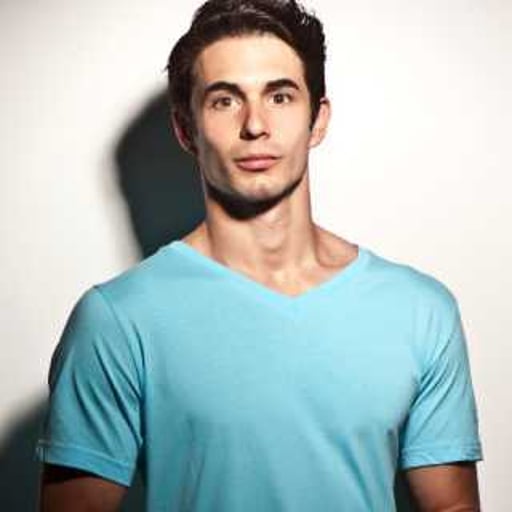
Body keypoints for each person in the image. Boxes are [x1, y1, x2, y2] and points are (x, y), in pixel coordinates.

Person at [37, 0, 483, 510]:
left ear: (318, 119)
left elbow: (452, 507)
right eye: (225, 100)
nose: (255, 125)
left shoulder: (419, 310)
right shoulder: (117, 320)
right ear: (185, 129)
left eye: (280, 96)